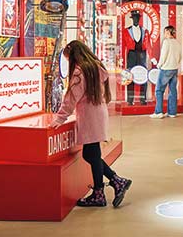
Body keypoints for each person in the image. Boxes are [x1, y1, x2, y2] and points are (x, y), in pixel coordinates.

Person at [51, 40, 132, 207]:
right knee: (91, 154)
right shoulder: (96, 66)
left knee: (92, 155)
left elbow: (71, 98)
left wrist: (59, 118)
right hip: (98, 114)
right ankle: (115, 181)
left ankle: (100, 192)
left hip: (89, 117)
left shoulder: (80, 73)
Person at [151, 26, 182, 119]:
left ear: (168, 32)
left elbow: (163, 56)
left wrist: (159, 65)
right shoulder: (177, 43)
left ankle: (158, 112)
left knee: (159, 90)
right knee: (173, 90)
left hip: (166, 68)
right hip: (174, 68)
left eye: (165, 32)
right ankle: (172, 112)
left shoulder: (166, 42)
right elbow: (180, 57)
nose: (164, 34)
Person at [122, 10, 152, 105]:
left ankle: (143, 99)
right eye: (134, 17)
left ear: (139, 19)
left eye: (137, 17)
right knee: (130, 76)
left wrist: (151, 57)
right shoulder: (126, 31)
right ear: (132, 19)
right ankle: (130, 100)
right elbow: (123, 46)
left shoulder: (145, 30)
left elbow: (148, 45)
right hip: (131, 55)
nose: (136, 19)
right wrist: (121, 58)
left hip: (142, 54)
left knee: (143, 75)